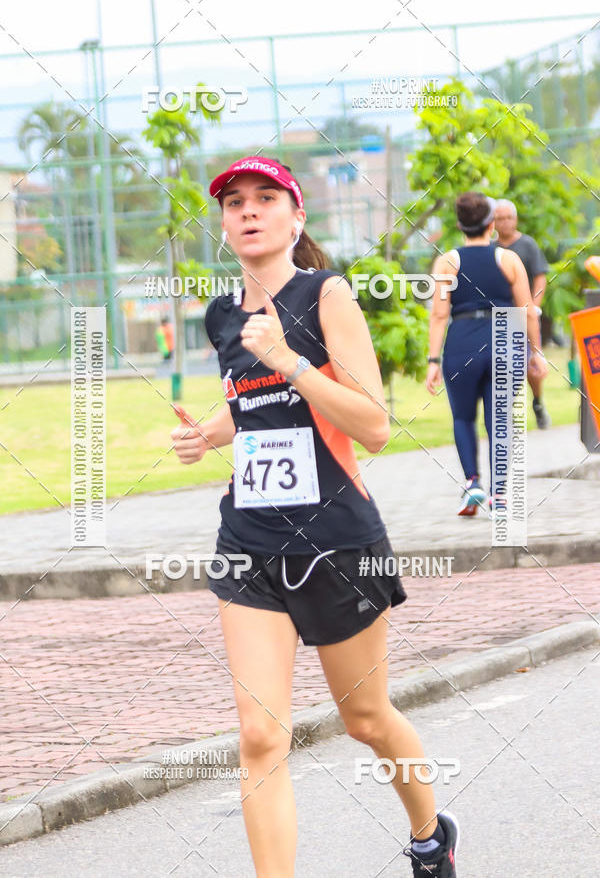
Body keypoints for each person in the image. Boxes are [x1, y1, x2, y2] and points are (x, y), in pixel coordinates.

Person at [171, 155, 460, 876]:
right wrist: (207, 433)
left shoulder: (325, 295)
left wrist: (291, 359)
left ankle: (431, 835)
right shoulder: (221, 315)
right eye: (234, 201)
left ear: (296, 217)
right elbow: (258, 408)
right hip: (250, 541)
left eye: (265, 197)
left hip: (337, 540)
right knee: (260, 737)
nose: (247, 210)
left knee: (365, 719)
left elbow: (373, 424)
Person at [426, 192, 548, 516]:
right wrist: (536, 353)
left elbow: (438, 315)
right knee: (500, 421)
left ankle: (472, 484)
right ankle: (500, 494)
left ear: (459, 225)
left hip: (462, 342)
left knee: (463, 417)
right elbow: (527, 311)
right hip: (506, 340)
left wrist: (432, 361)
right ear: (491, 224)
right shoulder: (508, 259)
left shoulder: (447, 261)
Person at [494, 199, 551, 428]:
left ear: (515, 219)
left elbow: (540, 276)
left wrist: (534, 306)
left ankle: (538, 403)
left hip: (525, 315)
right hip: (499, 317)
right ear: (493, 222)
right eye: (500, 218)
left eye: (509, 217)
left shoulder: (527, 245)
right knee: (504, 367)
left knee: (532, 365)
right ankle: (505, 415)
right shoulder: (491, 249)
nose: (505, 222)